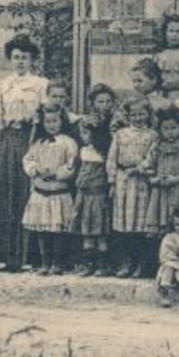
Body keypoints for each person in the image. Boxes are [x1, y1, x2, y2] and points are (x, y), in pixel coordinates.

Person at [0, 34, 47, 272]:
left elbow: (47, 116)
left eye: (25, 57)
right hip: (8, 142)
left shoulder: (41, 85)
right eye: (16, 57)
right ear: (10, 59)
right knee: (6, 197)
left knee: (28, 196)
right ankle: (9, 257)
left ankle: (32, 257)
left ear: (32, 60)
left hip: (31, 140)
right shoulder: (3, 85)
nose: (20, 62)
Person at [21, 106, 79, 276]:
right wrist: (36, 170)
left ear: (62, 121)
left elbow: (71, 165)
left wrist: (56, 173)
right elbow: (28, 160)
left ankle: (57, 262)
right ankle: (44, 262)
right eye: (48, 121)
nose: (51, 125)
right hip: (41, 192)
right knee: (42, 229)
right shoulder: (38, 143)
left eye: (55, 121)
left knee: (57, 230)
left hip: (58, 193)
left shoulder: (68, 142)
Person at [105, 98, 158, 277]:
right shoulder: (120, 134)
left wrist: (140, 168)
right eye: (134, 114)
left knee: (140, 224)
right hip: (123, 181)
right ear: (128, 116)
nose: (138, 118)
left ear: (148, 115)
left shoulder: (152, 135)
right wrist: (112, 181)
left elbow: (152, 157)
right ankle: (127, 262)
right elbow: (112, 158)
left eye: (141, 114)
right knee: (124, 224)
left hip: (142, 181)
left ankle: (141, 264)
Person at [147, 106, 179, 242]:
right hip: (161, 190)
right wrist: (154, 178)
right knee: (161, 222)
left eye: (173, 128)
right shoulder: (157, 146)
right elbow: (149, 165)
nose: (170, 132)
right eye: (166, 129)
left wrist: (176, 179)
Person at [72, 115, 112, 275]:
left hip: (97, 197)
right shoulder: (83, 151)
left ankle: (102, 265)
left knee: (99, 232)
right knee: (86, 232)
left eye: (87, 133)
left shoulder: (102, 154)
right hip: (84, 196)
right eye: (82, 133)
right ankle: (88, 263)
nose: (83, 137)